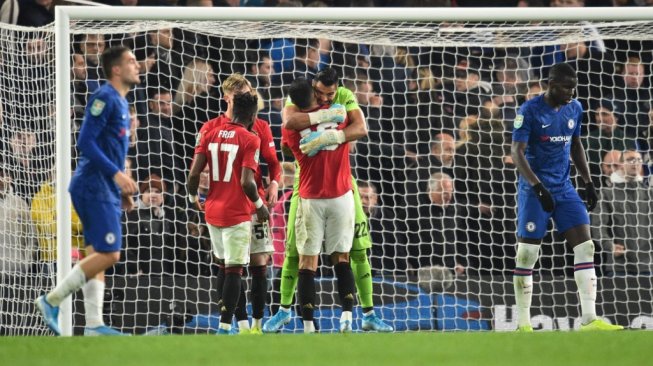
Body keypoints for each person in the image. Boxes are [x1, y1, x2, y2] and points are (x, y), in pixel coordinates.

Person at [264, 69, 391, 333]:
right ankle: (283, 311)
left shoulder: (345, 95)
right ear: (313, 87)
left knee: (356, 251)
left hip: (344, 185)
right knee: (294, 252)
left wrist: (334, 136)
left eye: (329, 95)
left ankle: (368, 314)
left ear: (338, 89)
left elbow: (361, 128)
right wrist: (327, 115)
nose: (324, 98)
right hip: (306, 187)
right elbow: (289, 121)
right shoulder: (301, 96)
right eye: (320, 93)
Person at [35, 46, 140, 336]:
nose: (138, 65)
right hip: (92, 186)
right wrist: (117, 175)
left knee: (96, 254)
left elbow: (109, 149)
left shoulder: (120, 102)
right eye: (131, 62)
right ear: (116, 70)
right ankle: (50, 300)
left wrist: (122, 190)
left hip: (103, 187)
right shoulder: (104, 97)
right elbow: (85, 141)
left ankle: (94, 325)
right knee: (110, 253)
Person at [511, 62, 623, 332]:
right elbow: (517, 152)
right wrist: (538, 188)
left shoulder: (575, 108)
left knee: (586, 247)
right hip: (534, 190)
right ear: (550, 84)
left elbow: (575, 143)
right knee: (527, 253)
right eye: (565, 87)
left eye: (574, 87)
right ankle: (523, 324)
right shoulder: (529, 111)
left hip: (564, 189)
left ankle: (589, 319)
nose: (571, 92)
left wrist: (588, 182)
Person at [193, 73, 281, 334]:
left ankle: (256, 325)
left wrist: (275, 183)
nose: (246, 97)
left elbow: (274, 163)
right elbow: (197, 168)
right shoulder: (210, 127)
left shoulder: (261, 127)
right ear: (227, 98)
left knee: (258, 263)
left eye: (248, 92)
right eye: (241, 95)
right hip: (229, 206)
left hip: (255, 206)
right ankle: (240, 325)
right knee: (230, 264)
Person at [591, 150, 653, 275]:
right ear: (621, 165)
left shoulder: (649, 193)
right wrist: (609, 246)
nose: (635, 163)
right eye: (630, 160)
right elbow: (598, 226)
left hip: (647, 264)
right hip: (619, 265)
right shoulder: (607, 193)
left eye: (638, 160)